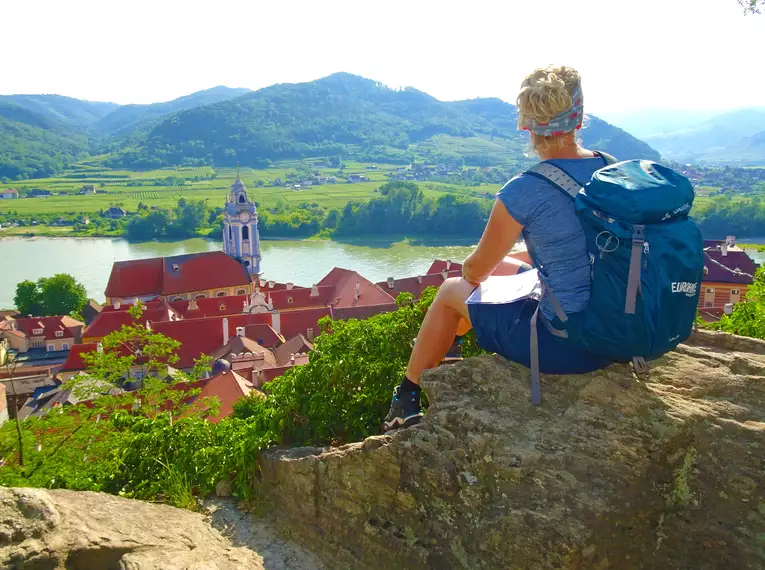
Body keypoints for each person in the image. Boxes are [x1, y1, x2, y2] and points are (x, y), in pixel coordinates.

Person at [383, 65, 614, 432]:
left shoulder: (524, 190)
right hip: (614, 327)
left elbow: (474, 273)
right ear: (580, 117)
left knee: (449, 291)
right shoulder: (611, 170)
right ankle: (447, 345)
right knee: (507, 264)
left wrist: (475, 272)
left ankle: (406, 397)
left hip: (567, 344)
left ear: (526, 125)